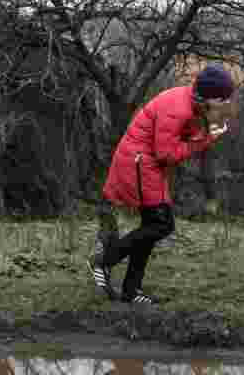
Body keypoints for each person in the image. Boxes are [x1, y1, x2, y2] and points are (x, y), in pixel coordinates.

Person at [88, 64, 236, 304]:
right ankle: (104, 261)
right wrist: (205, 140)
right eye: (223, 99)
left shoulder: (191, 104)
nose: (226, 103)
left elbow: (181, 138)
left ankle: (131, 291)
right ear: (209, 97)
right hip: (139, 163)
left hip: (146, 165)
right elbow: (166, 154)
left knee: (152, 226)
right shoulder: (178, 109)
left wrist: (205, 133)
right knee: (161, 224)